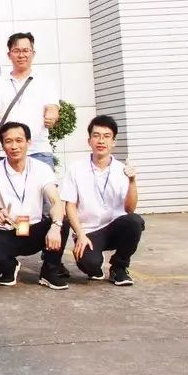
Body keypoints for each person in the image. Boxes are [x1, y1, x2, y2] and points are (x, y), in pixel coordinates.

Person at [0, 122, 69, 289]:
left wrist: (55, 226)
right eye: (8, 141)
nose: (14, 146)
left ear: (28, 142)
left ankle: (49, 271)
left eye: (19, 140)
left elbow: (56, 201)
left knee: (63, 222)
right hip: (7, 230)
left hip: (33, 230)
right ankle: (10, 266)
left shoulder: (42, 168)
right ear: (2, 145)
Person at [61, 115, 142, 286]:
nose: (101, 141)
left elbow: (130, 209)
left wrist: (132, 181)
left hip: (114, 228)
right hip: (89, 231)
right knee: (90, 265)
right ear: (89, 140)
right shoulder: (76, 169)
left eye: (106, 136)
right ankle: (94, 263)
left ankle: (119, 267)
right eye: (96, 135)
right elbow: (70, 206)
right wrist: (80, 235)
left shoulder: (122, 170)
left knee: (134, 222)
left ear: (114, 142)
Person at [0, 32, 60, 168]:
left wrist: (52, 115)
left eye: (26, 50)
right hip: (5, 152)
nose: (21, 55)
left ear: (33, 53)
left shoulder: (45, 82)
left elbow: (52, 107)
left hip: (39, 152)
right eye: (16, 51)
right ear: (9, 55)